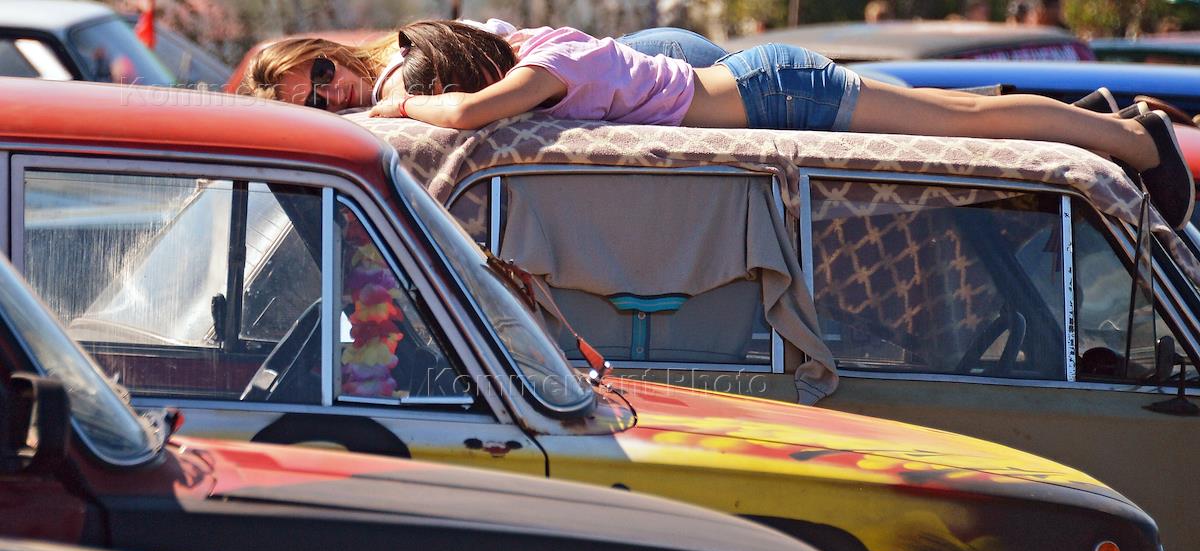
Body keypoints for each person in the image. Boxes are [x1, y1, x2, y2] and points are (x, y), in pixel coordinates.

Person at [242, 20, 1194, 229]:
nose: (333, 95)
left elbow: (464, 114)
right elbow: (457, 90)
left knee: (965, 123)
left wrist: (399, 103)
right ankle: (1098, 124)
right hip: (762, 89)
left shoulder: (545, 69)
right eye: (313, 100)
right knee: (962, 121)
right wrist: (397, 89)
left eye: (322, 76)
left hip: (780, 93)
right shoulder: (509, 48)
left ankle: (1132, 137)